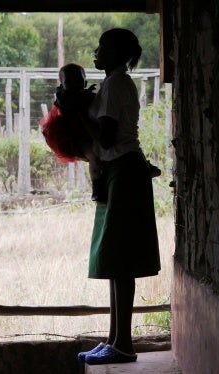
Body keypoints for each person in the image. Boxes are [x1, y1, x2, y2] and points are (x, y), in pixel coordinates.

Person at [77, 28, 161, 365]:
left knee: (121, 259)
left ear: (115, 53)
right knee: (113, 258)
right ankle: (114, 339)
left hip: (124, 171)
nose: (96, 51)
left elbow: (108, 138)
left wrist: (80, 115)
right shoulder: (114, 82)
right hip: (117, 173)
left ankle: (124, 344)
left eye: (102, 47)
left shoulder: (116, 84)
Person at [40, 63, 104, 201]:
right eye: (69, 81)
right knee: (94, 156)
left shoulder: (83, 95)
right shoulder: (63, 97)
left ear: (85, 82)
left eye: (79, 80)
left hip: (86, 132)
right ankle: (97, 187)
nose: (75, 84)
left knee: (97, 155)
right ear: (62, 84)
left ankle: (99, 183)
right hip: (73, 136)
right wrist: (86, 95)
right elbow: (72, 104)